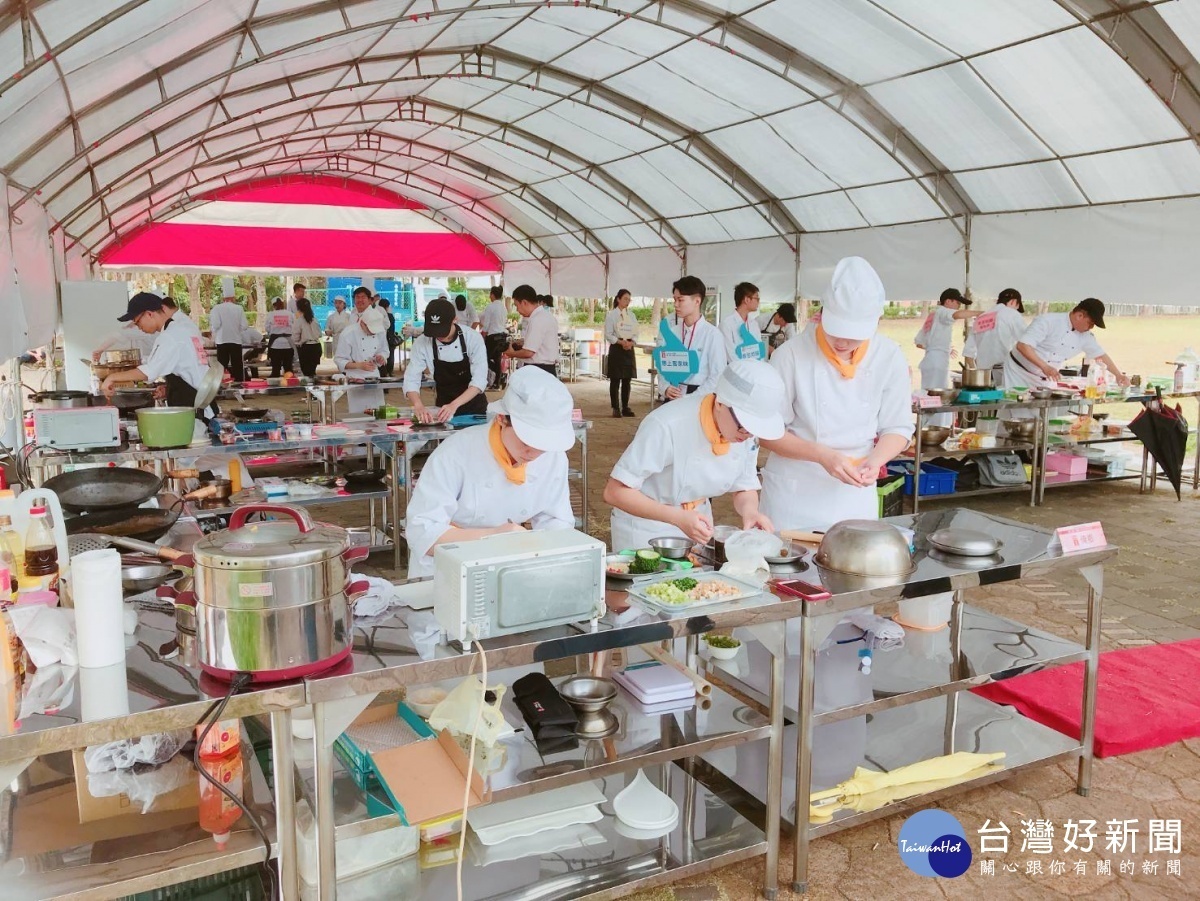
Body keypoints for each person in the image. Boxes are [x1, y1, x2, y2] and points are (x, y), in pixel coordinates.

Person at [759, 257, 914, 530]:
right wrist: (821, 455)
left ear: (876, 321)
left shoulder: (888, 356)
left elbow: (898, 427)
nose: (843, 342)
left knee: (852, 565)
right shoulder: (791, 355)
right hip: (795, 490)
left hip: (853, 492)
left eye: (854, 336)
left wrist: (875, 461)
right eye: (836, 331)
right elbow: (767, 431)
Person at [404, 366, 576, 579]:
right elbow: (422, 531)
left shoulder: (553, 457)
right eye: (527, 439)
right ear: (502, 419)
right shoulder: (456, 452)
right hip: (446, 570)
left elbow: (556, 520)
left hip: (509, 569)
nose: (534, 452)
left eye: (544, 443)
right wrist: (495, 536)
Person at [605, 360, 785, 551]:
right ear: (720, 403)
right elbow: (615, 492)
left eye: (754, 429)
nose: (747, 434)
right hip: (648, 528)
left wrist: (750, 511)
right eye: (744, 425)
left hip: (698, 522)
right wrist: (676, 517)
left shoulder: (745, 435)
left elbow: (744, 485)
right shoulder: (667, 423)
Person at [100, 292, 218, 418]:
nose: (139, 327)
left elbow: (149, 372)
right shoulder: (180, 330)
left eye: (138, 322)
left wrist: (111, 377)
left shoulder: (170, 336)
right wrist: (169, 389)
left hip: (197, 409)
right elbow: (187, 369)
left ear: (149, 314)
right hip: (200, 401)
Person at [1004, 297, 1130, 390]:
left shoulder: (1086, 336)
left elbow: (1100, 355)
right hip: (1018, 373)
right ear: (1079, 315)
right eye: (1090, 323)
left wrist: (1118, 375)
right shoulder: (1048, 321)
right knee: (1016, 418)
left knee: (1047, 419)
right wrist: (1045, 367)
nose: (1091, 327)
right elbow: (1023, 346)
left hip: (1047, 380)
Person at [404, 296, 488, 423]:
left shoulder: (472, 338)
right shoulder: (423, 342)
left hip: (474, 410)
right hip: (443, 409)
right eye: (434, 331)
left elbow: (479, 380)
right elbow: (411, 377)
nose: (438, 335)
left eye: (442, 330)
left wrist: (454, 405)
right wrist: (418, 404)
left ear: (455, 320)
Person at [655, 275, 726, 401]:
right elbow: (662, 366)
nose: (676, 304)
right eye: (674, 299)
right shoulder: (673, 332)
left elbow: (717, 376)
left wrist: (691, 398)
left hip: (699, 397)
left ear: (697, 301)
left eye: (680, 300)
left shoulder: (712, 335)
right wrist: (665, 387)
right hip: (673, 394)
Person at [915, 288, 979, 427]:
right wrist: (983, 313)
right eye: (957, 302)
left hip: (930, 360)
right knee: (939, 399)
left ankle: (925, 429)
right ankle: (935, 429)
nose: (959, 306)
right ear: (948, 301)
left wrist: (939, 347)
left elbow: (919, 342)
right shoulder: (943, 312)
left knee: (928, 397)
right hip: (937, 363)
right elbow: (958, 314)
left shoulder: (932, 315)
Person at [335, 305, 389, 413]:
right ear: (362, 323)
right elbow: (339, 359)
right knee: (359, 415)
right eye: (370, 330)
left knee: (378, 414)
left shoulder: (380, 332)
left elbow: (384, 350)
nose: (373, 333)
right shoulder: (348, 333)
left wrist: (381, 357)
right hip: (356, 378)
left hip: (374, 377)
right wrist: (359, 365)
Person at [969, 288, 1027, 376]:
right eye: (1017, 307)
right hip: (1004, 370)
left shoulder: (981, 317)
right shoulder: (1012, 314)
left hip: (983, 373)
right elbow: (1026, 342)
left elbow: (968, 352)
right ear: (1013, 302)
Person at [505, 284, 559, 375]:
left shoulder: (537, 319)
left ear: (524, 302)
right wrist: (523, 341)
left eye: (517, 306)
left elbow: (528, 352)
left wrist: (511, 353)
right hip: (544, 368)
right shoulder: (546, 315)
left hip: (539, 369)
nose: (517, 310)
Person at [604, 288, 637, 418]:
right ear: (618, 299)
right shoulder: (611, 315)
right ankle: (615, 407)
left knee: (627, 380)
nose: (627, 302)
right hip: (617, 348)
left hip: (628, 348)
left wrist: (632, 342)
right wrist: (619, 342)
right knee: (615, 379)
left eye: (629, 299)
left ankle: (625, 407)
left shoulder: (632, 315)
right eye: (625, 299)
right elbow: (608, 334)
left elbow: (636, 332)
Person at [718, 282, 765, 361]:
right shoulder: (726, 325)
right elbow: (730, 356)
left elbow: (759, 351)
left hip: (755, 369)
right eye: (757, 298)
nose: (758, 302)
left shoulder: (754, 324)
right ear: (747, 300)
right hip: (738, 371)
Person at [209, 288, 248, 382]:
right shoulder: (239, 308)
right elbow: (245, 326)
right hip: (236, 340)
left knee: (222, 367)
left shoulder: (217, 308)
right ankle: (239, 387)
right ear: (233, 298)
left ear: (223, 298)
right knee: (237, 366)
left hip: (222, 341)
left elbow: (216, 325)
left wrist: (214, 332)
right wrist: (236, 329)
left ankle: (221, 387)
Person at [480, 284, 510, 389]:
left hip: (493, 336)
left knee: (485, 359)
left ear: (492, 295)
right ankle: (498, 381)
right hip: (502, 335)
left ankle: (500, 375)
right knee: (497, 359)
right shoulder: (503, 307)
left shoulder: (491, 307)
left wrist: (483, 335)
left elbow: (486, 324)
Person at [291, 298, 323, 377]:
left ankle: (309, 387)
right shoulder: (314, 320)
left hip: (306, 348)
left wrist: (298, 342)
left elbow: (295, 337)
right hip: (316, 346)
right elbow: (319, 334)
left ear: (299, 308)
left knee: (306, 372)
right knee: (312, 371)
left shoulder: (299, 321)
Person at [265, 299, 294, 377]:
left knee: (275, 369)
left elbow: (267, 328)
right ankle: (290, 386)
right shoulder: (290, 314)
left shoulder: (270, 314)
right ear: (283, 304)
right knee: (288, 368)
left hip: (275, 345)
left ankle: (275, 386)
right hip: (288, 344)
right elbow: (294, 327)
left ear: (274, 305)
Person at [378, 297, 398, 377]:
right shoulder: (389, 315)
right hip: (389, 339)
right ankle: (389, 372)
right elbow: (391, 328)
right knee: (389, 356)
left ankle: (385, 372)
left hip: (382, 339)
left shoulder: (378, 314)